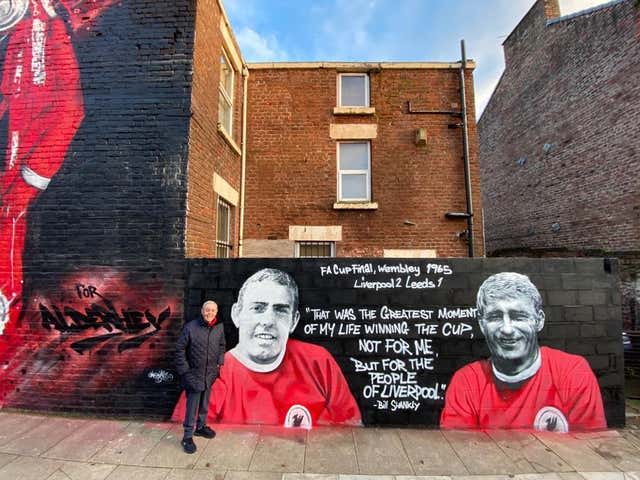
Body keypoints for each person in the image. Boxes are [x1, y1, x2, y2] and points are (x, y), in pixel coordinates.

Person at [0, 0, 119, 336]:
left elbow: (70, 109)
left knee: (9, 228)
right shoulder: (27, 27)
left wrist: (29, 181)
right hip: (16, 155)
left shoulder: (45, 29)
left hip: (25, 171)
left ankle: (5, 317)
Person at [172, 268, 361, 428]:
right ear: (237, 314)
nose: (268, 321)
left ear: (293, 321)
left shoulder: (318, 361)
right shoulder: (211, 375)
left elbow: (351, 429)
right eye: (258, 308)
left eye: (280, 310)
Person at [440, 272, 606, 432]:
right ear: (482, 324)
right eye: (495, 317)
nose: (507, 329)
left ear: (539, 320)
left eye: (518, 316)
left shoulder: (571, 372)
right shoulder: (467, 382)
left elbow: (589, 447)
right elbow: (460, 447)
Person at [175, 300, 225, 454]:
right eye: (207, 310)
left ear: (216, 312)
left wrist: (219, 363)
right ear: (202, 310)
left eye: (212, 310)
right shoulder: (191, 327)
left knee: (204, 404)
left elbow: (222, 345)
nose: (209, 313)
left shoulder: (219, 328)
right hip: (194, 375)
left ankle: (201, 427)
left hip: (209, 374)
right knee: (192, 407)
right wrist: (185, 371)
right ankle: (187, 436)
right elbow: (179, 350)